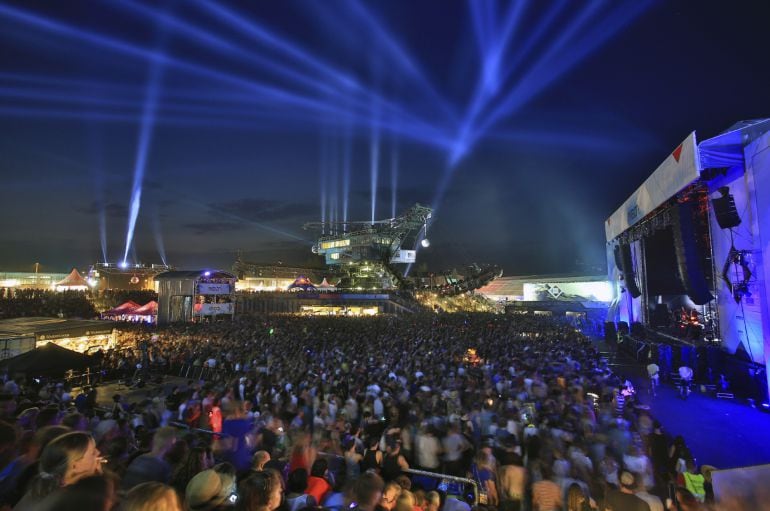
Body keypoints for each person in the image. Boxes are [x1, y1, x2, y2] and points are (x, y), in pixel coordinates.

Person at [14, 431, 103, 510]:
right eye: (93, 453)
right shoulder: (67, 500)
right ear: (74, 466)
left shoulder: (45, 487)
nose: (98, 453)